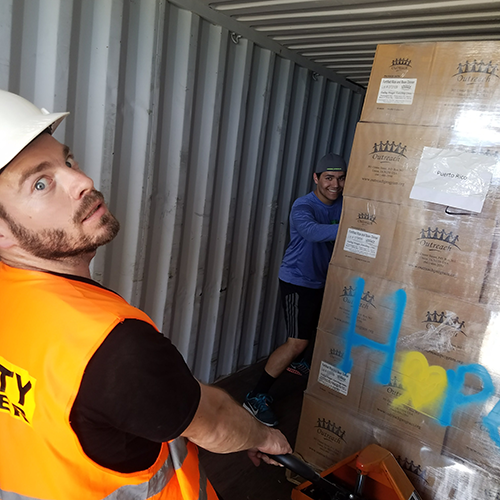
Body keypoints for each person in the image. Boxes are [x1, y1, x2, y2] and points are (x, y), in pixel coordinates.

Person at [0, 89, 291, 500]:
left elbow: (157, 395)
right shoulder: (109, 346)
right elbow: (214, 424)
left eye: (67, 161)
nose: (82, 181)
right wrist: (263, 436)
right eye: (41, 184)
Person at [244, 153, 346, 427]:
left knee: (315, 330)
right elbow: (312, 232)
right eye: (328, 178)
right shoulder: (303, 206)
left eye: (340, 178)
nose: (334, 185)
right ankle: (255, 396)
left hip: (324, 280)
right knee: (296, 341)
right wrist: (353, 229)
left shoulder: (344, 205)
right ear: (316, 178)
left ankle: (298, 363)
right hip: (298, 281)